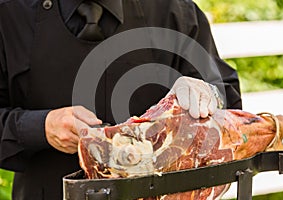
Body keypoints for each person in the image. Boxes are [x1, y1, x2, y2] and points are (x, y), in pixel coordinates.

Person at [0, 0, 242, 199]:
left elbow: (227, 100)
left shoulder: (174, 10)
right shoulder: (10, 15)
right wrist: (41, 126)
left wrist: (207, 94)